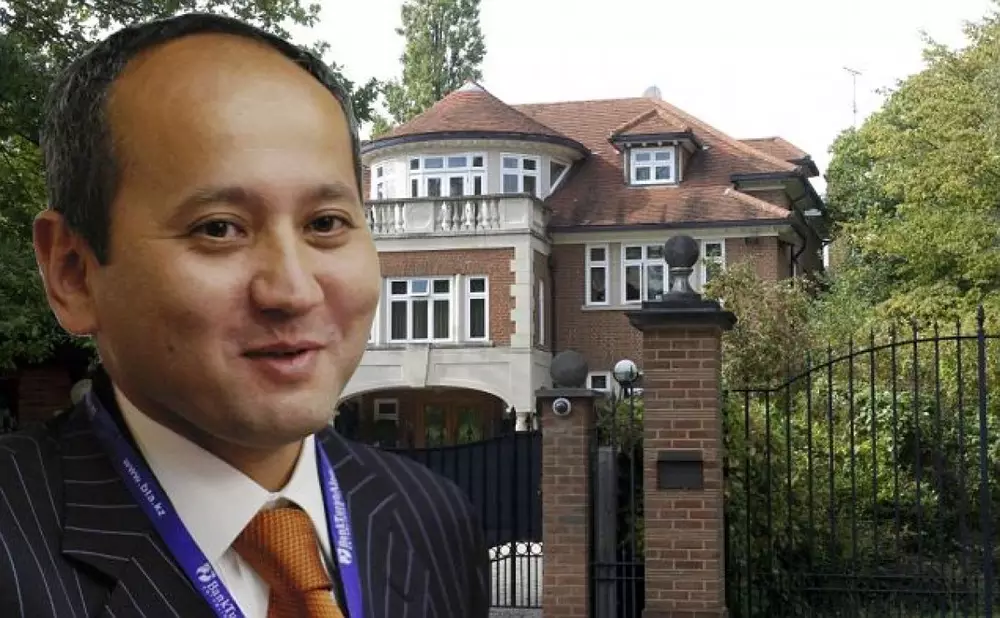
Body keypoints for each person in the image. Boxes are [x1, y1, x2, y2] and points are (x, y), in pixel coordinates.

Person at [0, 13, 490, 618]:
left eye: (326, 223)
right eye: (218, 229)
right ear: (73, 271)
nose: (292, 290)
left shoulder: (431, 517)